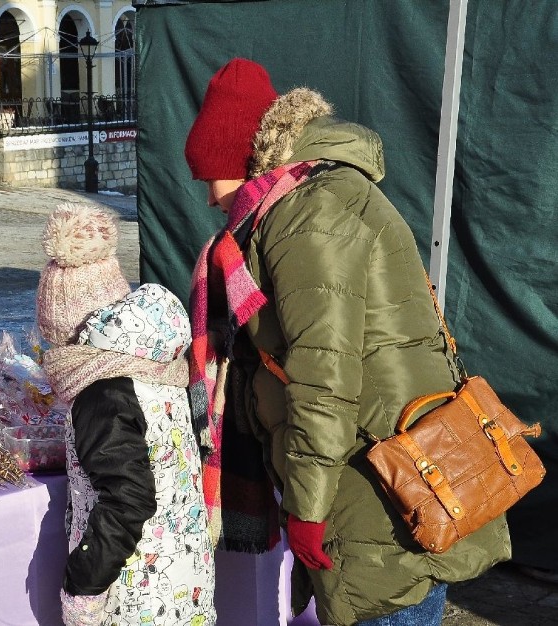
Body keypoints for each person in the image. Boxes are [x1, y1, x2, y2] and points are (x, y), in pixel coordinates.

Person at [183, 58, 511, 626]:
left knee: (391, 605)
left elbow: (323, 372)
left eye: (210, 174)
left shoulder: (309, 213)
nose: (210, 197)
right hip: (373, 463)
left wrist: (307, 508)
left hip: (374, 483)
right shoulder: (309, 198)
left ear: (244, 157)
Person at [36, 202, 216, 626]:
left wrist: (83, 586)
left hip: (135, 597)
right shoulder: (157, 364)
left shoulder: (103, 393)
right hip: (180, 586)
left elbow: (127, 499)